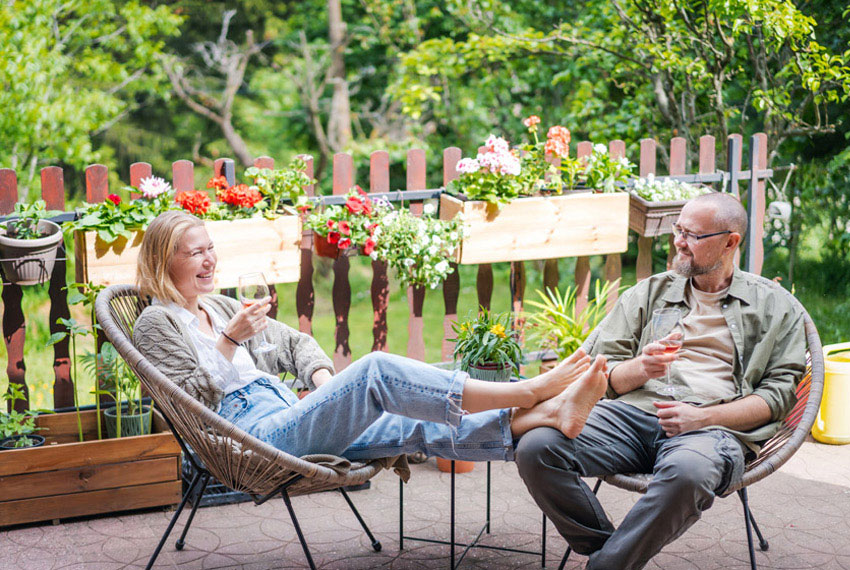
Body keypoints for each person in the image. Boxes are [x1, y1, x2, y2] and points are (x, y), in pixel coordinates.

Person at [132, 210, 609, 467]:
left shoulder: (219, 307)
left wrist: (326, 388)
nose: (210, 260)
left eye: (211, 248)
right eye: (195, 253)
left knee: (415, 425)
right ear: (163, 261)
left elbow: (297, 345)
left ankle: (547, 414)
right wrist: (230, 342)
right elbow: (187, 399)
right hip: (251, 438)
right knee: (376, 369)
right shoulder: (156, 323)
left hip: (289, 415)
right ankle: (527, 390)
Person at [515, 192, 807, 570]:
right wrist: (641, 368)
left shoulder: (774, 305)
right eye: (678, 229)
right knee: (536, 447)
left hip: (712, 428)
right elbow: (600, 371)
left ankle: (607, 564)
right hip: (631, 416)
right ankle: (613, 556)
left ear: (730, 242)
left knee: (690, 474)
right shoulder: (650, 292)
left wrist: (701, 418)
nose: (678, 242)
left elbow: (779, 396)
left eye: (692, 235)